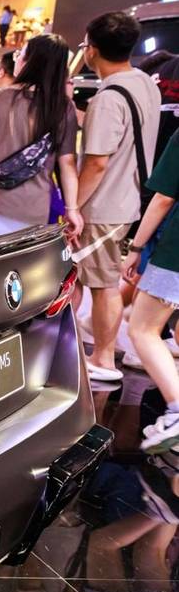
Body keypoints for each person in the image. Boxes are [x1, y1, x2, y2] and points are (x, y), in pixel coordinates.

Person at [76, 12, 161, 383]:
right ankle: (98, 348)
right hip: (129, 199)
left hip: (103, 206)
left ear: (92, 50)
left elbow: (97, 163)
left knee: (102, 285)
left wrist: (73, 207)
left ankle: (104, 357)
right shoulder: (144, 84)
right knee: (100, 280)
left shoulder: (108, 98)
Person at [0, 34, 82, 230]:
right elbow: (67, 163)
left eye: (20, 54)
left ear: (30, 62)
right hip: (36, 210)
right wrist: (72, 209)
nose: (17, 58)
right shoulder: (63, 107)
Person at [124, 130, 179, 450]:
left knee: (142, 329)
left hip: (176, 255)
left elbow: (163, 198)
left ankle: (177, 410)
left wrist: (136, 247)